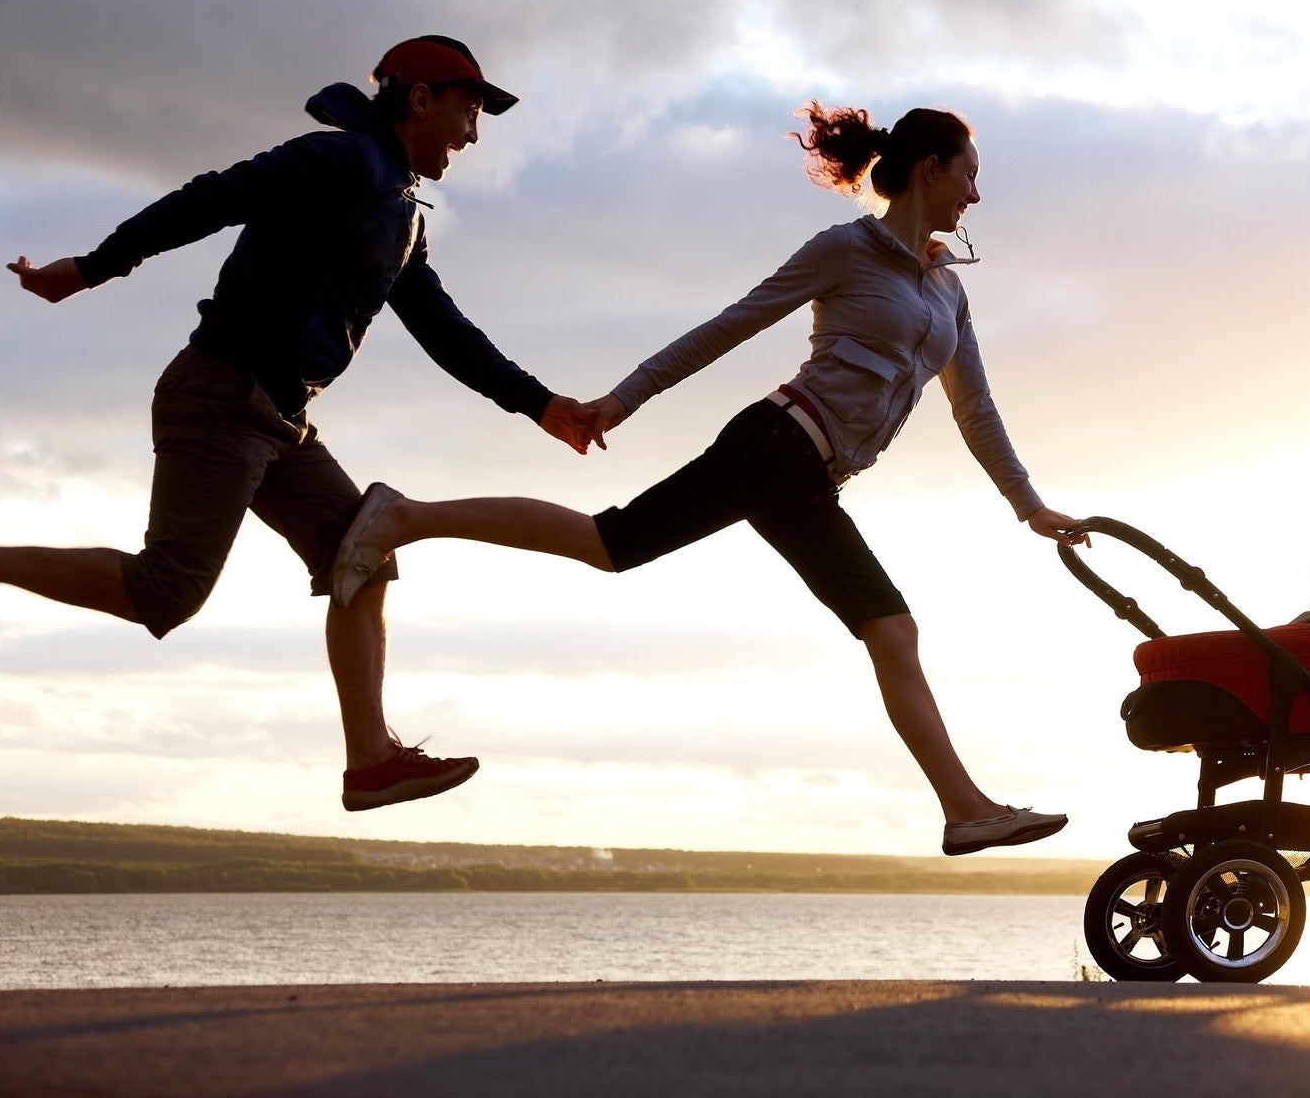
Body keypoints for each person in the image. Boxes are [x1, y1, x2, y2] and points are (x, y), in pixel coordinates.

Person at [0, 36, 595, 812]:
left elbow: (443, 328)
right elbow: (215, 195)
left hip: (281, 419)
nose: (472, 134)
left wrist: (541, 405)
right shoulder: (338, 161)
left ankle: (370, 760)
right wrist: (95, 266)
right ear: (419, 98)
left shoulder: (401, 212)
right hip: (221, 396)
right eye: (468, 111)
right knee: (165, 591)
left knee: (362, 555)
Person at [328, 102, 1083, 854]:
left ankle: (965, 810)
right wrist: (624, 398)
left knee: (891, 629)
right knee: (608, 543)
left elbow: (973, 406)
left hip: (813, 480)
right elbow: (733, 323)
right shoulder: (845, 250)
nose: (975, 197)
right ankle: (403, 517)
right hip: (776, 445)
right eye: (969, 176)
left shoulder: (948, 288)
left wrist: (1030, 507)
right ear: (931, 169)